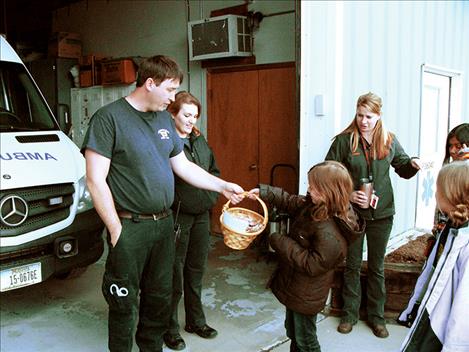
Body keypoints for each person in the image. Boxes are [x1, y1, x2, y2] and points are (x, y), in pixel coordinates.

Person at [83, 56, 244, 352]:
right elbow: (95, 180)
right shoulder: (108, 119)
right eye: (170, 90)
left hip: (164, 225)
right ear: (149, 83)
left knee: (159, 299)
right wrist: (117, 230)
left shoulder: (161, 119)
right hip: (130, 227)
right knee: (123, 302)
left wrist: (222, 186)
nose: (173, 98)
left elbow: (182, 165)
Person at [325, 92, 420, 338]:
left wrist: (414, 165)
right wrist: (347, 196)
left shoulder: (389, 140)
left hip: (382, 214)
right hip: (353, 215)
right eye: (359, 115)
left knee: (377, 267)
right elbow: (328, 174)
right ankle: (349, 314)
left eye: (368, 116)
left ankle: (377, 318)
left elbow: (403, 168)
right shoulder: (344, 141)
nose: (363, 121)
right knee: (352, 265)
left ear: (378, 116)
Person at [248, 161, 365, 352]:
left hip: (307, 294)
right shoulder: (315, 205)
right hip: (296, 288)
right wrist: (264, 192)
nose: (309, 189)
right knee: (294, 332)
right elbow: (290, 201)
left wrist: (277, 240)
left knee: (306, 341)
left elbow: (311, 264)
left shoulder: (331, 233)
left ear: (329, 191)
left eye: (313, 187)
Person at [162, 92, 220, 350]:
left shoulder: (199, 139)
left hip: (201, 217)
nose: (191, 120)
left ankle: (195, 321)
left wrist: (211, 197)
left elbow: (213, 170)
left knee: (195, 272)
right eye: (186, 115)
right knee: (174, 275)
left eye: (195, 116)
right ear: (172, 113)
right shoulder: (166, 143)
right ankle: (169, 328)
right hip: (178, 217)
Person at [398, 161, 469, 352]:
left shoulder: (465, 244)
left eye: (439, 189)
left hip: (447, 332)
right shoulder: (451, 229)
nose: (436, 193)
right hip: (434, 317)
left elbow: (464, 306)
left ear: (453, 195)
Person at [432, 123, 469, 238]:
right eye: (450, 146)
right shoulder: (448, 171)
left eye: (458, 146)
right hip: (445, 231)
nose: (452, 151)